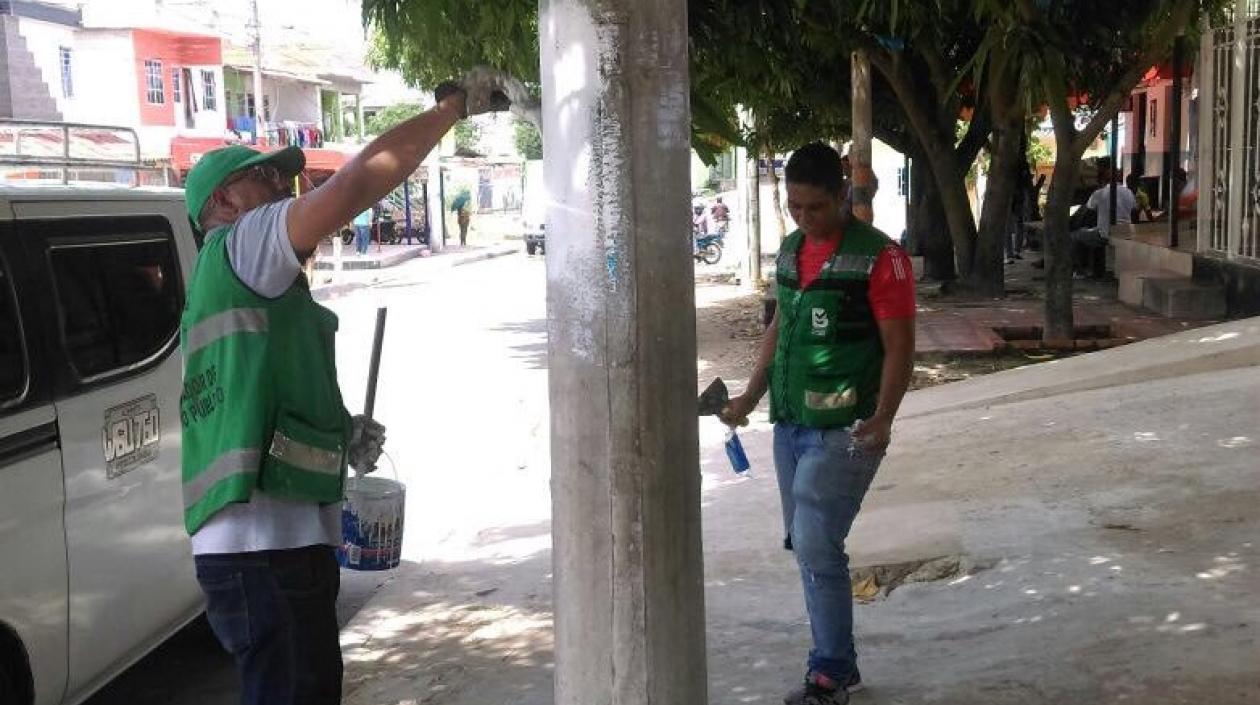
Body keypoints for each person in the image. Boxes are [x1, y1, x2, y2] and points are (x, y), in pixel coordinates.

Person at [178, 68, 508, 705]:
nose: (284, 184)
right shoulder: (242, 246)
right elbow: (360, 179)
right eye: (264, 176)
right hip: (264, 552)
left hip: (265, 547)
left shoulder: (249, 286)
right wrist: (450, 109)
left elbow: (259, 408)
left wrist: (339, 434)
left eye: (284, 174)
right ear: (221, 204)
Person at [721, 142, 916, 705]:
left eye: (815, 208)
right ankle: (836, 664)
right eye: (794, 208)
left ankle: (829, 670)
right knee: (810, 547)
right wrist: (749, 396)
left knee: (814, 538)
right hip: (791, 424)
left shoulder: (882, 259)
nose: (804, 219)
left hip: (849, 427)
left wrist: (883, 417)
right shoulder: (789, 252)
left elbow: (900, 346)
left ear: (842, 196)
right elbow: (779, 329)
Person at [1071, 170, 1136, 278]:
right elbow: (1134, 209)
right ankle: (1095, 269)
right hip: (1125, 232)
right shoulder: (1128, 192)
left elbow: (1088, 210)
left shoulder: (1100, 193)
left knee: (1075, 236)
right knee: (1091, 232)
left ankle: (1080, 270)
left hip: (1106, 233)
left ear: (1102, 181)